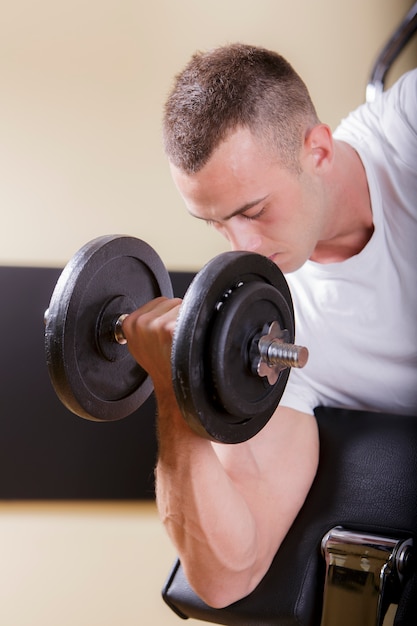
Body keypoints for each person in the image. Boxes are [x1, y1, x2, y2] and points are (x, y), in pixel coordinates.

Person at [122, 44, 417, 609]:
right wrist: (173, 391)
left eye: (254, 212)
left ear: (319, 150)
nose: (244, 247)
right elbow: (227, 575)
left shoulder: (405, 127)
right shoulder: (273, 320)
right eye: (217, 223)